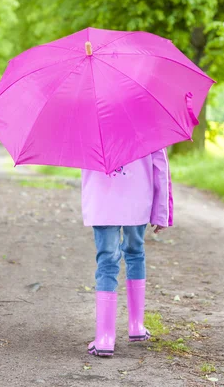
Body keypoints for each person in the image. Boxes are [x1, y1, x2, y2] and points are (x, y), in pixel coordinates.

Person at [81, 148, 173, 357]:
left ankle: (104, 338)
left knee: (107, 262)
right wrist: (161, 213)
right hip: (137, 202)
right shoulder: (146, 122)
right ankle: (136, 326)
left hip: (102, 204)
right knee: (135, 252)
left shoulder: (88, 122)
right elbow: (160, 167)